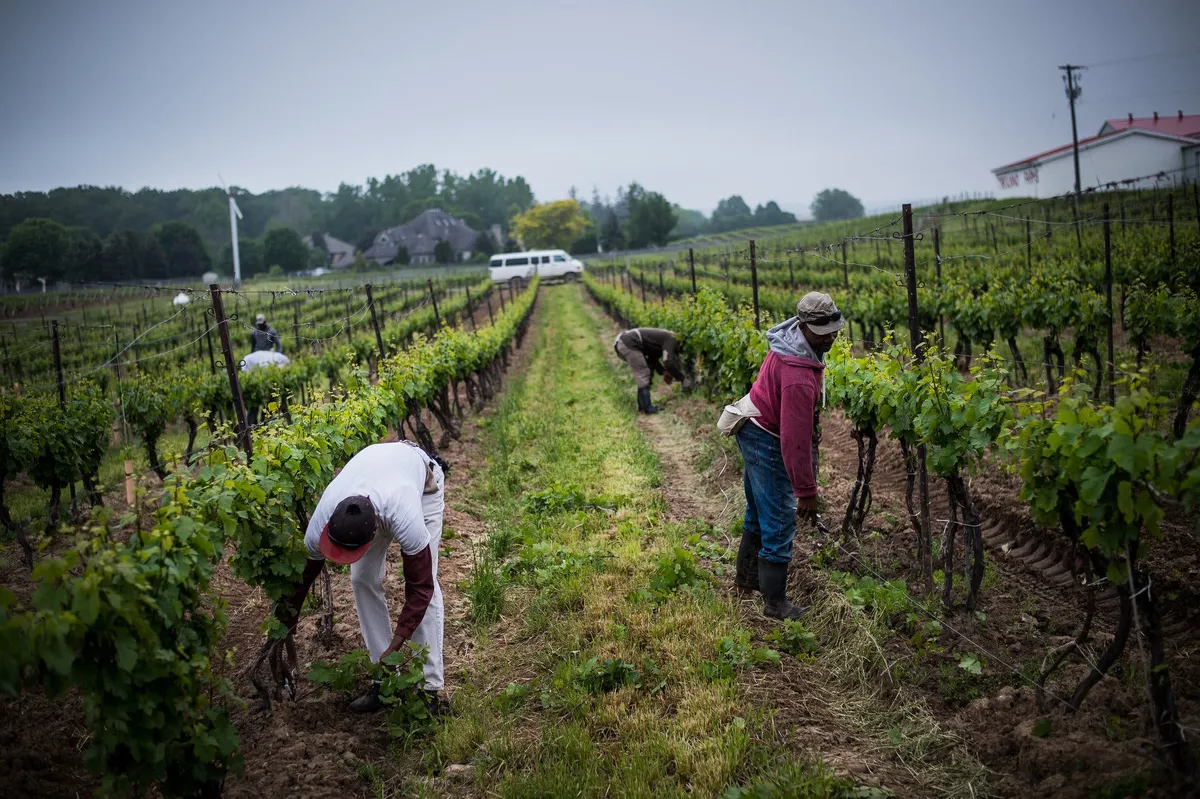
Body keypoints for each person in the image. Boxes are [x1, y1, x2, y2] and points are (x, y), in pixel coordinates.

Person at [277, 441, 446, 712]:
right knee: (361, 579)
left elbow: (420, 587)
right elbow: (300, 582)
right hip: (376, 481)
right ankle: (384, 683)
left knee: (430, 587)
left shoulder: (405, 515)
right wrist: (282, 629)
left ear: (371, 533)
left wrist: (398, 641)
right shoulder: (322, 520)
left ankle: (429, 690)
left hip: (424, 481)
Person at [732, 292, 844, 620]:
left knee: (758, 511)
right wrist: (806, 492)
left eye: (835, 327)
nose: (833, 335)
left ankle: (746, 582)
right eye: (824, 330)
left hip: (752, 427)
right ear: (804, 326)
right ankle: (775, 604)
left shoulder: (790, 342)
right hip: (765, 437)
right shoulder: (798, 378)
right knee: (780, 518)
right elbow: (794, 442)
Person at [614, 327, 685, 414]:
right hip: (628, 343)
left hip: (624, 343)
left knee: (647, 370)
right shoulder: (672, 339)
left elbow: (653, 359)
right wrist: (682, 378)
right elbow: (668, 362)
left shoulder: (663, 340)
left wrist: (663, 372)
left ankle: (643, 407)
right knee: (643, 372)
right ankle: (647, 408)